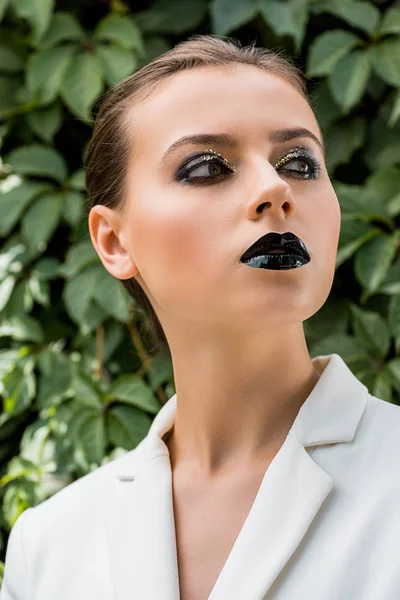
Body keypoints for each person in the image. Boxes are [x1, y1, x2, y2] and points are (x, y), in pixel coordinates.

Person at [2, 34, 400, 600]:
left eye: (300, 162)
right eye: (207, 168)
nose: (274, 187)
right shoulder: (52, 546)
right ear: (113, 241)